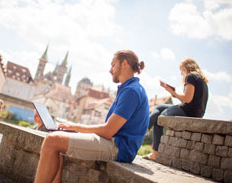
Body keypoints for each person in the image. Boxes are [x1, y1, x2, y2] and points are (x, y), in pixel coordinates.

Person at [34, 50, 150, 183]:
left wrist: (74, 126)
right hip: (115, 142)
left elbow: (108, 131)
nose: (110, 70)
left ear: (124, 64)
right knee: (59, 137)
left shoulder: (131, 91)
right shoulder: (130, 88)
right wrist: (74, 129)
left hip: (118, 147)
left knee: (51, 141)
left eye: (113, 65)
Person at [144, 58, 209, 161]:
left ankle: (154, 152)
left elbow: (187, 99)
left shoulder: (190, 76)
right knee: (159, 107)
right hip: (195, 112)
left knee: (159, 118)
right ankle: (145, 128)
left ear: (186, 68)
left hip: (187, 111)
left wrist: (173, 93)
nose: (181, 74)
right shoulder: (202, 81)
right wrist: (172, 93)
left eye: (181, 71)